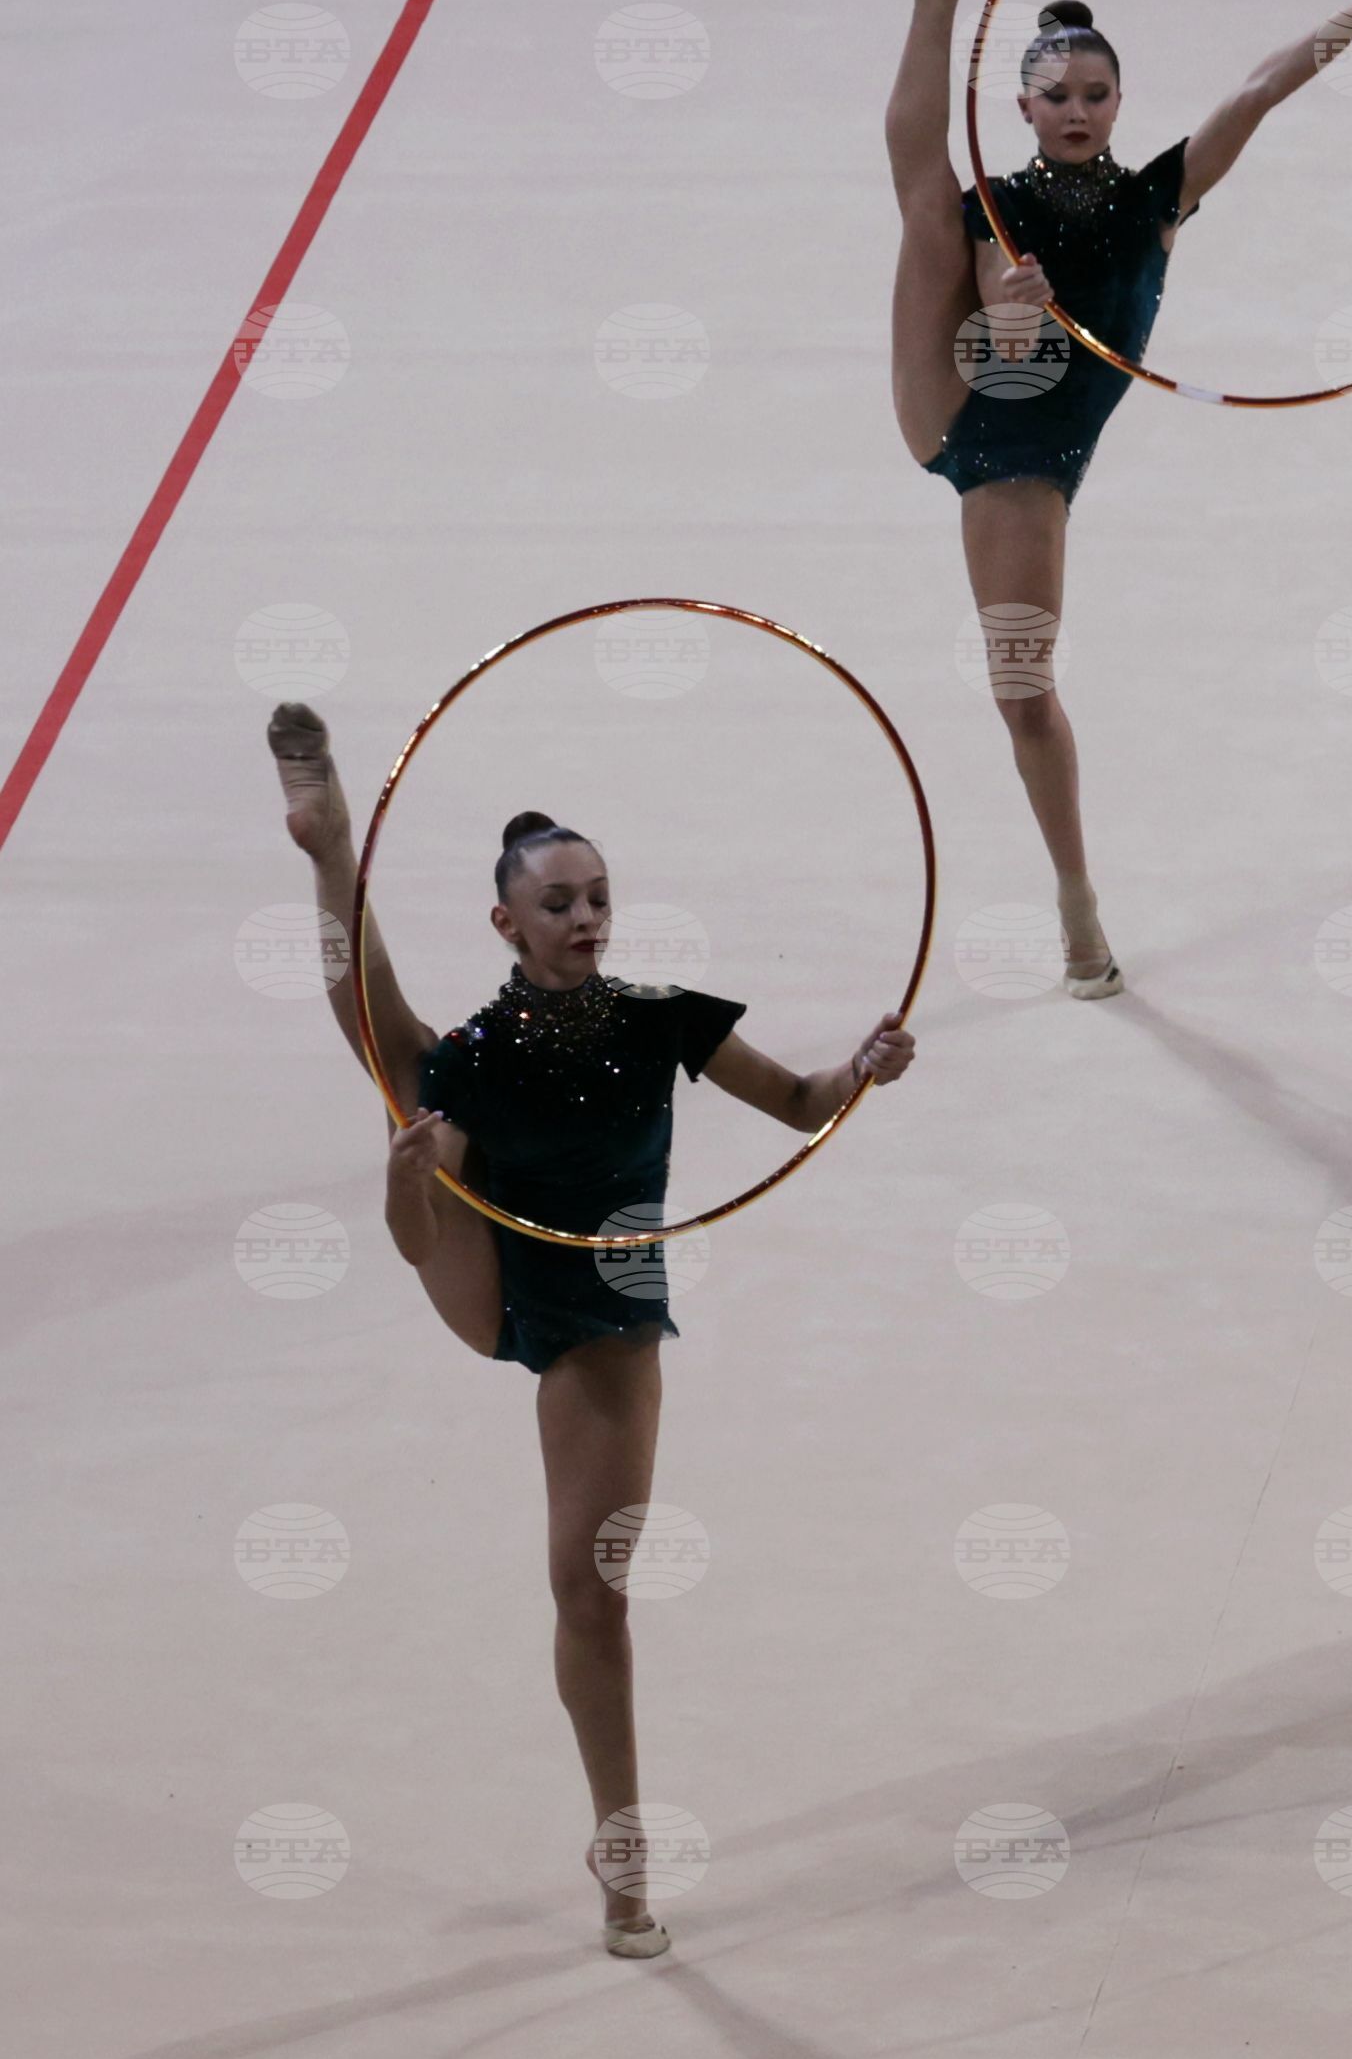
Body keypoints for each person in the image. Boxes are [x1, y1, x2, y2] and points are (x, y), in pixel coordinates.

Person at [263, 705, 916, 1957]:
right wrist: (404, 1181)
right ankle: (329, 846)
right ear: (506, 923)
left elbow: (799, 1103)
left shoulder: (663, 1016)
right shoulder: (479, 1055)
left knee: (591, 1587)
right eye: (557, 903)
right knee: (400, 1063)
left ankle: (619, 1845)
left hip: (605, 1302)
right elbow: (414, 1240)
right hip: (487, 1268)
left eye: (598, 898)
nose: (586, 918)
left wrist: (864, 1069)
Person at [883, 0, 1352, 995]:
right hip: (975, 421)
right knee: (927, 211)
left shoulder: (1156, 200)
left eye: (1096, 93)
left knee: (1021, 692)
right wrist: (1008, 310)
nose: (1078, 110)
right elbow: (996, 341)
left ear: (1118, 102)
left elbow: (1255, 94)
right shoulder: (1002, 211)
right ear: (1024, 109)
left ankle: (1074, 900)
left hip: (1043, 454)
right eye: (1056, 95)